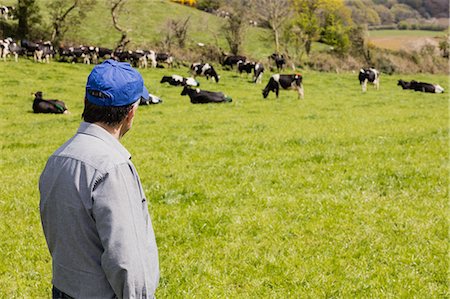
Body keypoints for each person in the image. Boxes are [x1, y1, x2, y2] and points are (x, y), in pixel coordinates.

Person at [39, 59, 159, 298]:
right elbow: (127, 258)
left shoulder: (58, 158)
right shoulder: (111, 168)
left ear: (86, 102)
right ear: (131, 113)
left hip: (63, 288)